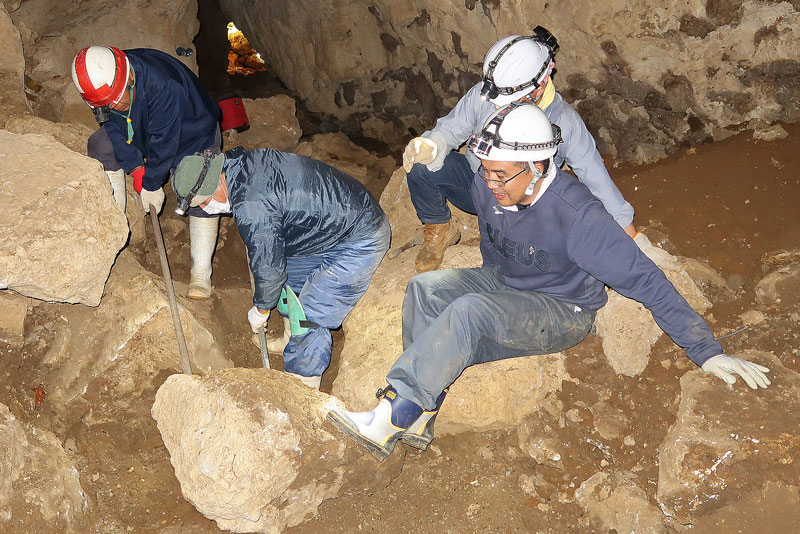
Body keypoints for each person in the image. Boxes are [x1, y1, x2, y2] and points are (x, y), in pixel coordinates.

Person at [328, 103, 770, 461]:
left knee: (468, 314)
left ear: (539, 166)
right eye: (486, 170)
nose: (490, 184)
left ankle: (394, 410)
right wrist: (433, 149)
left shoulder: (579, 217)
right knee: (425, 289)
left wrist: (706, 351)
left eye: (501, 174)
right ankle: (423, 409)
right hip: (502, 280)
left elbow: (645, 280)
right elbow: (450, 168)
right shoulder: (490, 183)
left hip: (561, 311)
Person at [401, 27, 637, 273]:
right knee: (421, 166)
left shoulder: (565, 123)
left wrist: (632, 237)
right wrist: (433, 143)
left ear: (542, 82)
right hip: (479, 186)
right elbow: (451, 128)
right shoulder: (490, 92)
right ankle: (440, 227)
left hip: (524, 207)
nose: (502, 107)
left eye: (514, 99)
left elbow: (597, 180)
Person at [171, 147, 391, 389]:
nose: (205, 209)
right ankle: (290, 339)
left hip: (360, 236)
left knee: (311, 315)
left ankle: (304, 385)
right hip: (327, 227)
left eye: (204, 202)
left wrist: (262, 309)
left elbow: (268, 267)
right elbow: (274, 262)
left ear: (217, 182)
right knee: (289, 279)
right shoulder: (238, 164)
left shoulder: (252, 204)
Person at [71, 45, 222, 299]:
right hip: (144, 128)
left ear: (130, 77)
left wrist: (152, 184)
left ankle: (201, 273)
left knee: (197, 186)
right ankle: (115, 232)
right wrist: (135, 166)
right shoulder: (102, 83)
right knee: (101, 145)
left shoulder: (165, 86)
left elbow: (165, 142)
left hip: (192, 132)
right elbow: (112, 127)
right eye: (105, 105)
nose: (113, 108)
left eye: (116, 102)